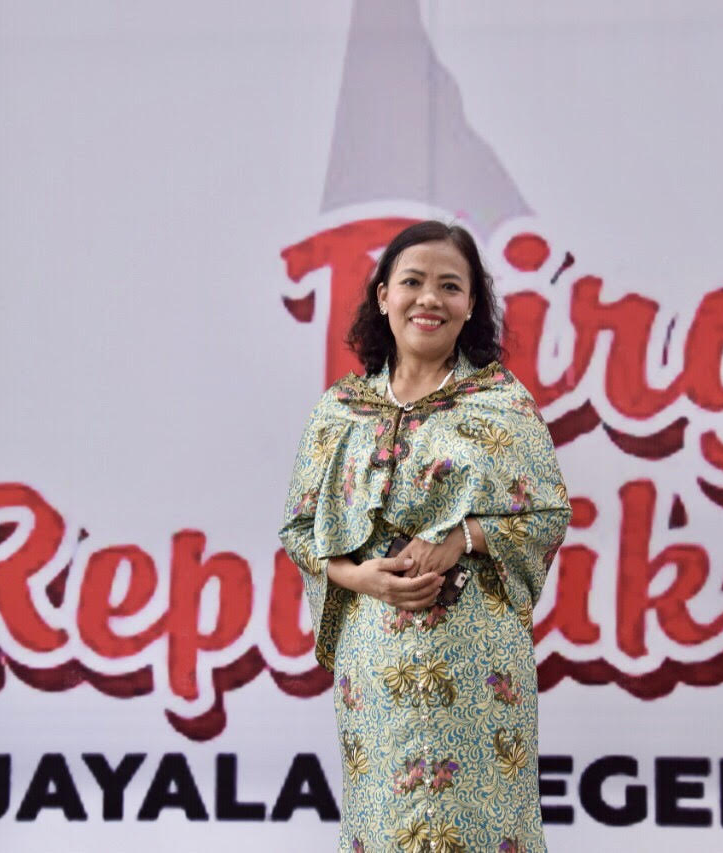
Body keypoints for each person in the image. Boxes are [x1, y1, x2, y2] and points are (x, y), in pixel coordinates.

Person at [279, 220, 571, 852]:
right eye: (412, 282)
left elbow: (547, 514)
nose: (429, 299)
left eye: (450, 286)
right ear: (383, 296)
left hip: (477, 663)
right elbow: (300, 531)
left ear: (471, 305)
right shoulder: (340, 409)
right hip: (374, 663)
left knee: (483, 825)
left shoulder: (501, 402)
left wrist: (463, 536)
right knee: (384, 824)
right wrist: (360, 577)